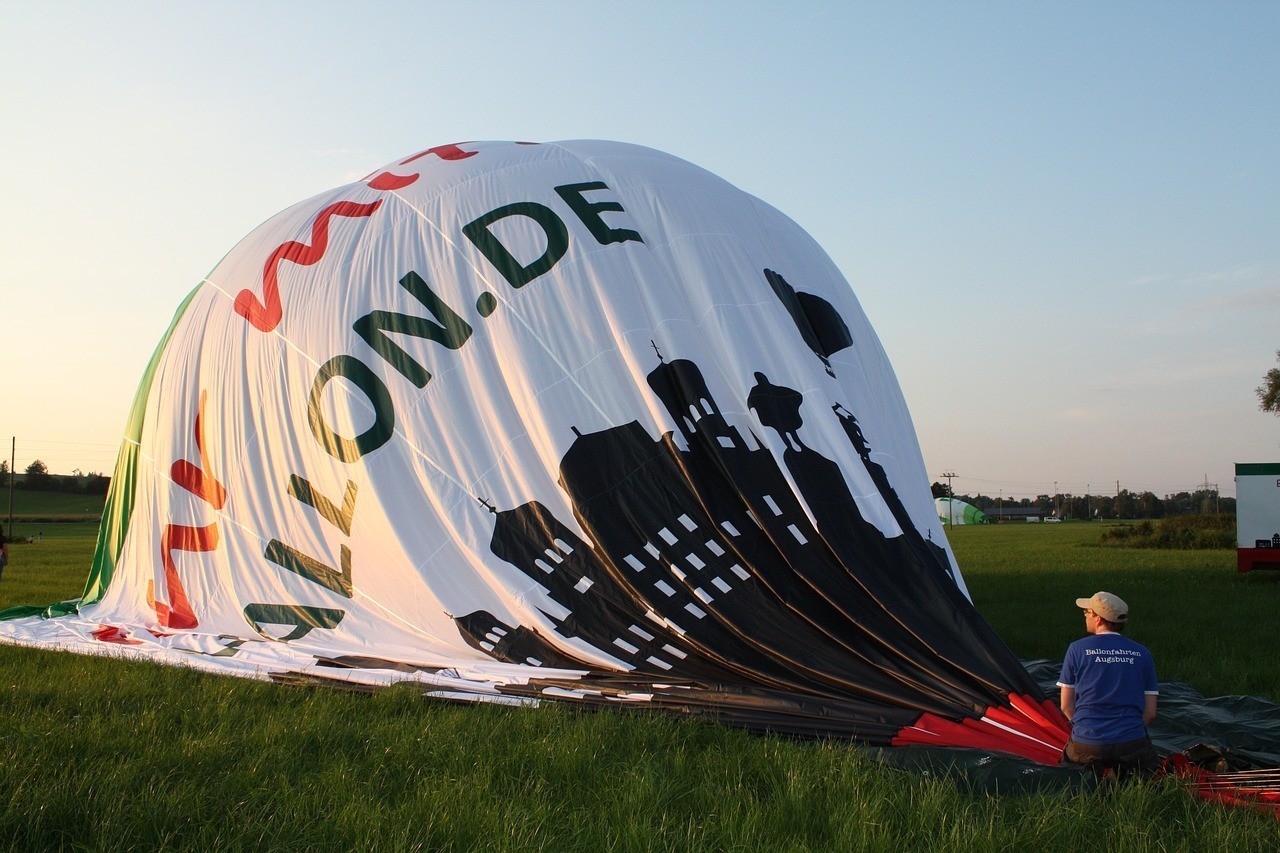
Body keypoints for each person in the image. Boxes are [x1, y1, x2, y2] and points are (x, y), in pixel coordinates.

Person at [1057, 591, 1159, 777]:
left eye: (1087, 612)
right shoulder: (1142, 653)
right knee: (1149, 768)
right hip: (1131, 742)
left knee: (1071, 777)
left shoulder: (1076, 649)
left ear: (1098, 619)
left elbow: (1066, 706)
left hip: (1087, 741)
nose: (1085, 616)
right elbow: (1151, 713)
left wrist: (1086, 729)